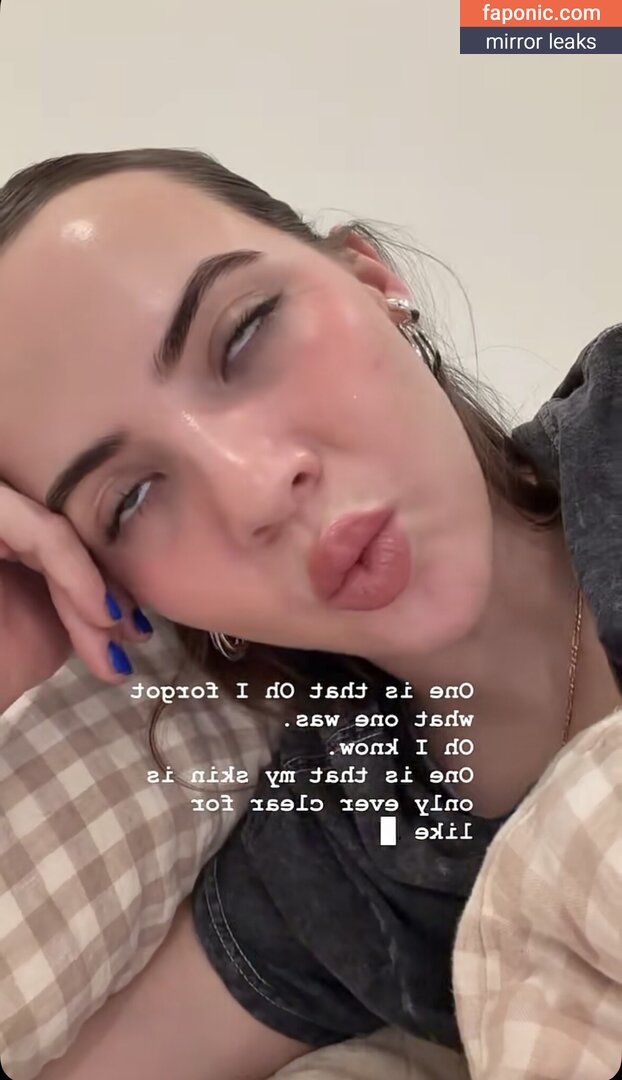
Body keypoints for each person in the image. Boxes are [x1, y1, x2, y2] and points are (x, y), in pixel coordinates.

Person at [0, 148, 619, 1080]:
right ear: (112, 584)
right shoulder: (346, 856)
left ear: (374, 281)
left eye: (245, 334)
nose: (255, 487)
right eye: (130, 501)